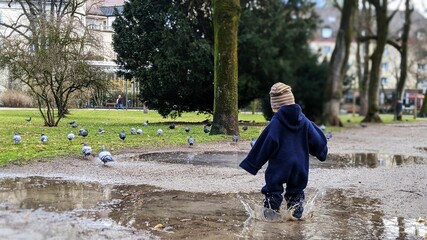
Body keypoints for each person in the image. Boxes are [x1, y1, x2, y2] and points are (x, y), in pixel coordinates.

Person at [239, 82, 328, 219]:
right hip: (300, 167)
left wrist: (252, 163)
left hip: (280, 165)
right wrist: (322, 152)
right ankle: (296, 213)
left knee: (273, 190)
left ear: (275, 107)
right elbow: (318, 140)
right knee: (296, 191)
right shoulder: (304, 121)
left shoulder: (276, 124)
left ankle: (271, 213)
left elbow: (264, 144)